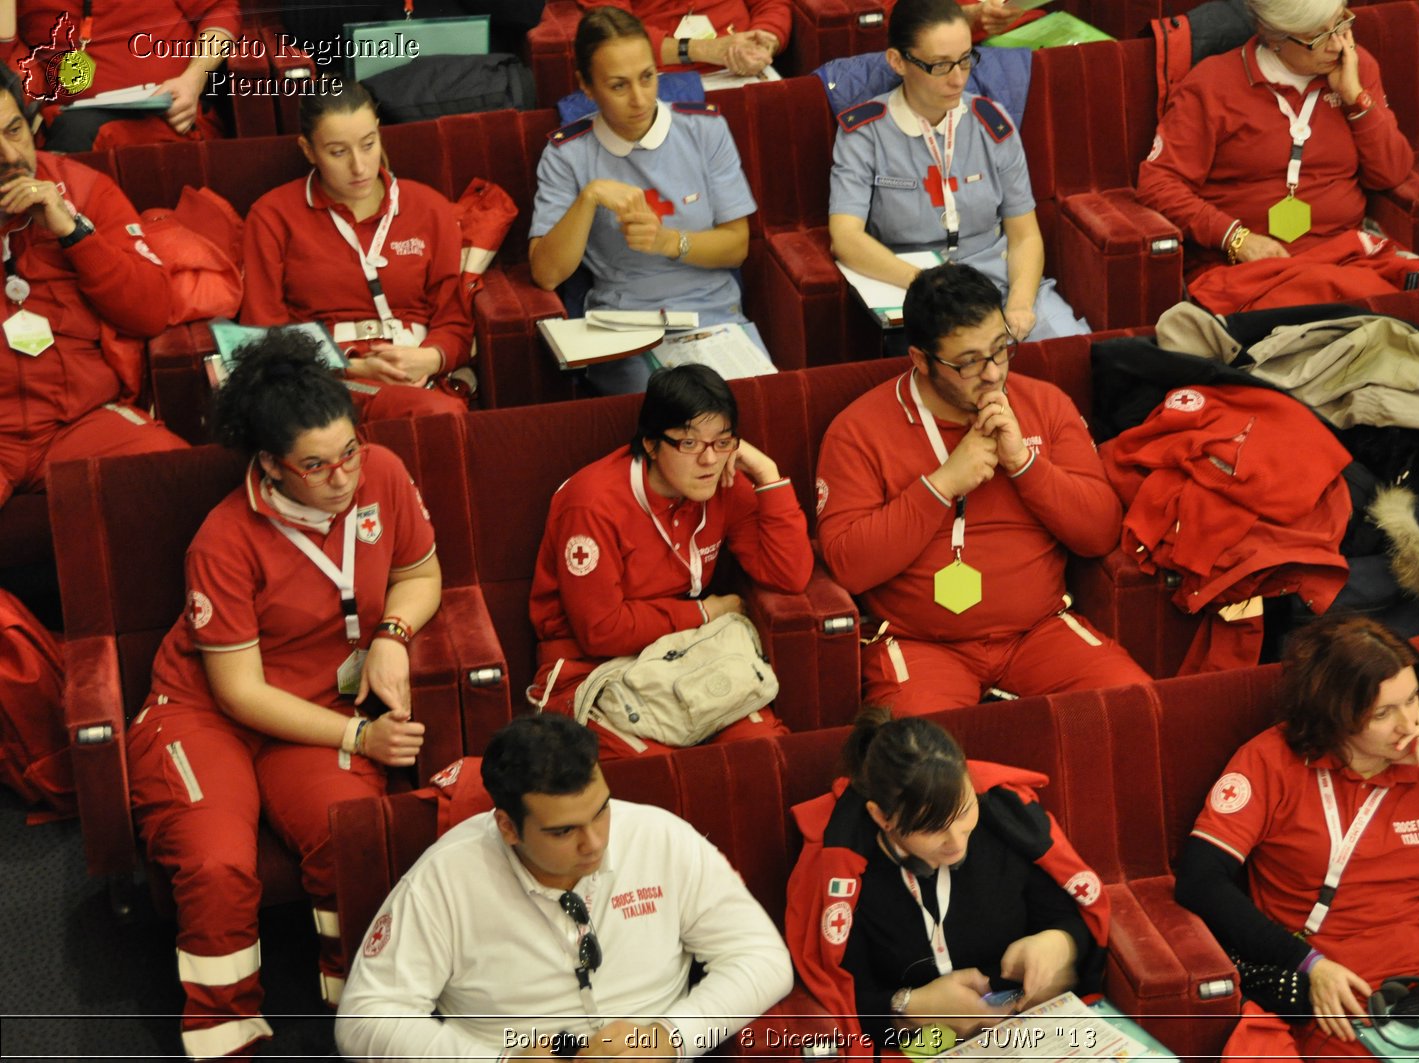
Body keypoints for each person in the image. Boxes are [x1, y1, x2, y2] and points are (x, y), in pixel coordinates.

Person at [125, 331, 438, 1059]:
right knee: (216, 863)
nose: (343, 476)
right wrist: (360, 738)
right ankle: (225, 1031)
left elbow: (421, 574)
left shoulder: (384, 474)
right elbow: (238, 691)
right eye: (317, 465)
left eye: (350, 451)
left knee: (350, 831)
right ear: (270, 465)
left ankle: (359, 1005)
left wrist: (392, 631)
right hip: (205, 711)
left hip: (316, 706)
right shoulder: (223, 538)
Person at [1176, 615, 1419, 1060]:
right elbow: (1200, 880)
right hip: (1344, 994)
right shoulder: (1269, 761)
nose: (1410, 724)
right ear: (1336, 717)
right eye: (1384, 713)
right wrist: (1307, 965)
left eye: (1412, 700)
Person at [336, 713, 794, 1061]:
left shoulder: (660, 837)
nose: (594, 843)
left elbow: (763, 959)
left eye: (601, 810)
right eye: (563, 831)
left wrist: (670, 1037)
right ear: (508, 828)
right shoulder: (443, 880)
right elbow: (365, 1017)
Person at [814, 264, 1147, 715]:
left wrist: (1025, 466)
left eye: (1001, 349)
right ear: (920, 360)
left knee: (1132, 705)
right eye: (969, 362)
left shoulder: (1045, 404)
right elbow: (848, 566)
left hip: (1039, 631)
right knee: (919, 760)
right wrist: (942, 484)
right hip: (921, 644)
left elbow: (1101, 532)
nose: (992, 374)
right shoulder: (857, 431)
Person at [528, 363, 812, 758]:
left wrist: (768, 475)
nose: (709, 460)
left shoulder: (723, 481)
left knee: (761, 750)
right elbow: (601, 630)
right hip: (592, 667)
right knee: (661, 773)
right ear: (650, 444)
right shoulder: (592, 504)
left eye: (724, 442)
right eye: (690, 444)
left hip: (685, 653)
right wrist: (705, 613)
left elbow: (789, 576)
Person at [786, 709, 1110, 1051]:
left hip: (1029, 1036)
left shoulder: (1002, 825)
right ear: (882, 817)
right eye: (931, 828)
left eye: (964, 811)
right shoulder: (848, 874)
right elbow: (844, 996)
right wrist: (912, 1004)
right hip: (916, 1045)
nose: (957, 842)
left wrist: (1058, 943)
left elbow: (1070, 919)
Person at [529, 7, 774, 395]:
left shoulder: (705, 129)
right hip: (625, 329)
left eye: (647, 77)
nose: (640, 99)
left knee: (759, 406)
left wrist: (668, 242)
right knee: (672, 419)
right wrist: (589, 197)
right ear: (587, 87)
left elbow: (736, 247)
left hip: (712, 318)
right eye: (618, 86)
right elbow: (546, 273)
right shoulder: (566, 154)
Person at [1137, 0, 1419, 313]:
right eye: (1317, 37)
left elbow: (1392, 173)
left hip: (1343, 257)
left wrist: (1356, 99)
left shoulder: (1356, 67)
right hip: (1247, 270)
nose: (1338, 44)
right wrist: (1236, 239)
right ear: (1272, 37)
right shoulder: (1212, 85)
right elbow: (1158, 182)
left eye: (1342, 23)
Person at [829, 0, 1087, 342]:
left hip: (998, 276)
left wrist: (1022, 306)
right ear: (897, 62)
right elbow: (846, 238)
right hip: (916, 283)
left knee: (1072, 348)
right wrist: (928, 283)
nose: (958, 79)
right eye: (940, 66)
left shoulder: (992, 122)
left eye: (966, 60)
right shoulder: (864, 133)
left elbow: (1024, 234)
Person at [0, 69, 186, 512]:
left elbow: (151, 311)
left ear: (34, 128)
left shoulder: (85, 190)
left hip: (79, 423)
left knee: (182, 479)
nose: (8, 155)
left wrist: (72, 232)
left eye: (13, 131)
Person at [241, 80, 471, 422]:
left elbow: (454, 320)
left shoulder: (429, 208)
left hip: (415, 370)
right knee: (437, 416)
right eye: (338, 152)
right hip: (320, 380)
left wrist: (432, 358)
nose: (360, 167)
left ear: (379, 133)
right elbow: (265, 334)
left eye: (368, 144)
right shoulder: (272, 216)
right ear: (308, 150)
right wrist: (350, 365)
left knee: (443, 414)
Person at [17, 0, 239, 151]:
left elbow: (220, 11)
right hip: (62, 122)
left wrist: (193, 80)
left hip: (167, 113)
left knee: (73, 134)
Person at [578, 0, 790, 76]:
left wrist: (763, 42)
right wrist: (704, 50)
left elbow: (772, 5)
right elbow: (611, 33)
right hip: (659, 75)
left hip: (746, 66)